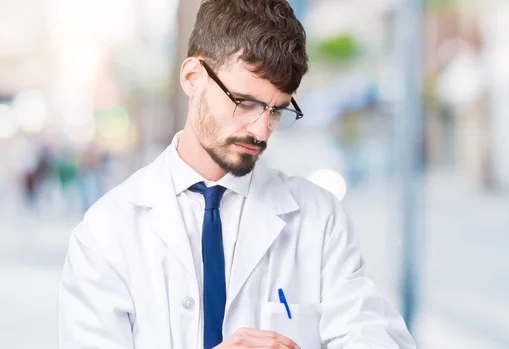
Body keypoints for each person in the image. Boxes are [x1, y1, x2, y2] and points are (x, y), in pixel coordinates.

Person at [58, 1, 416, 348]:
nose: (261, 131)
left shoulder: (317, 218)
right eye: (245, 103)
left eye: (276, 111)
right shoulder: (106, 232)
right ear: (193, 77)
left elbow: (372, 333)